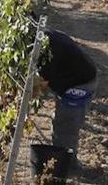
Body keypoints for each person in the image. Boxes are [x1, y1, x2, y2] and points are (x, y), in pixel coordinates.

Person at [36, 29, 98, 159]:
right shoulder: (41, 39)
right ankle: (58, 157)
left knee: (67, 124)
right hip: (67, 78)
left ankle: (67, 165)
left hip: (80, 83)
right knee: (60, 121)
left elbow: (39, 85)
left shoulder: (46, 49)